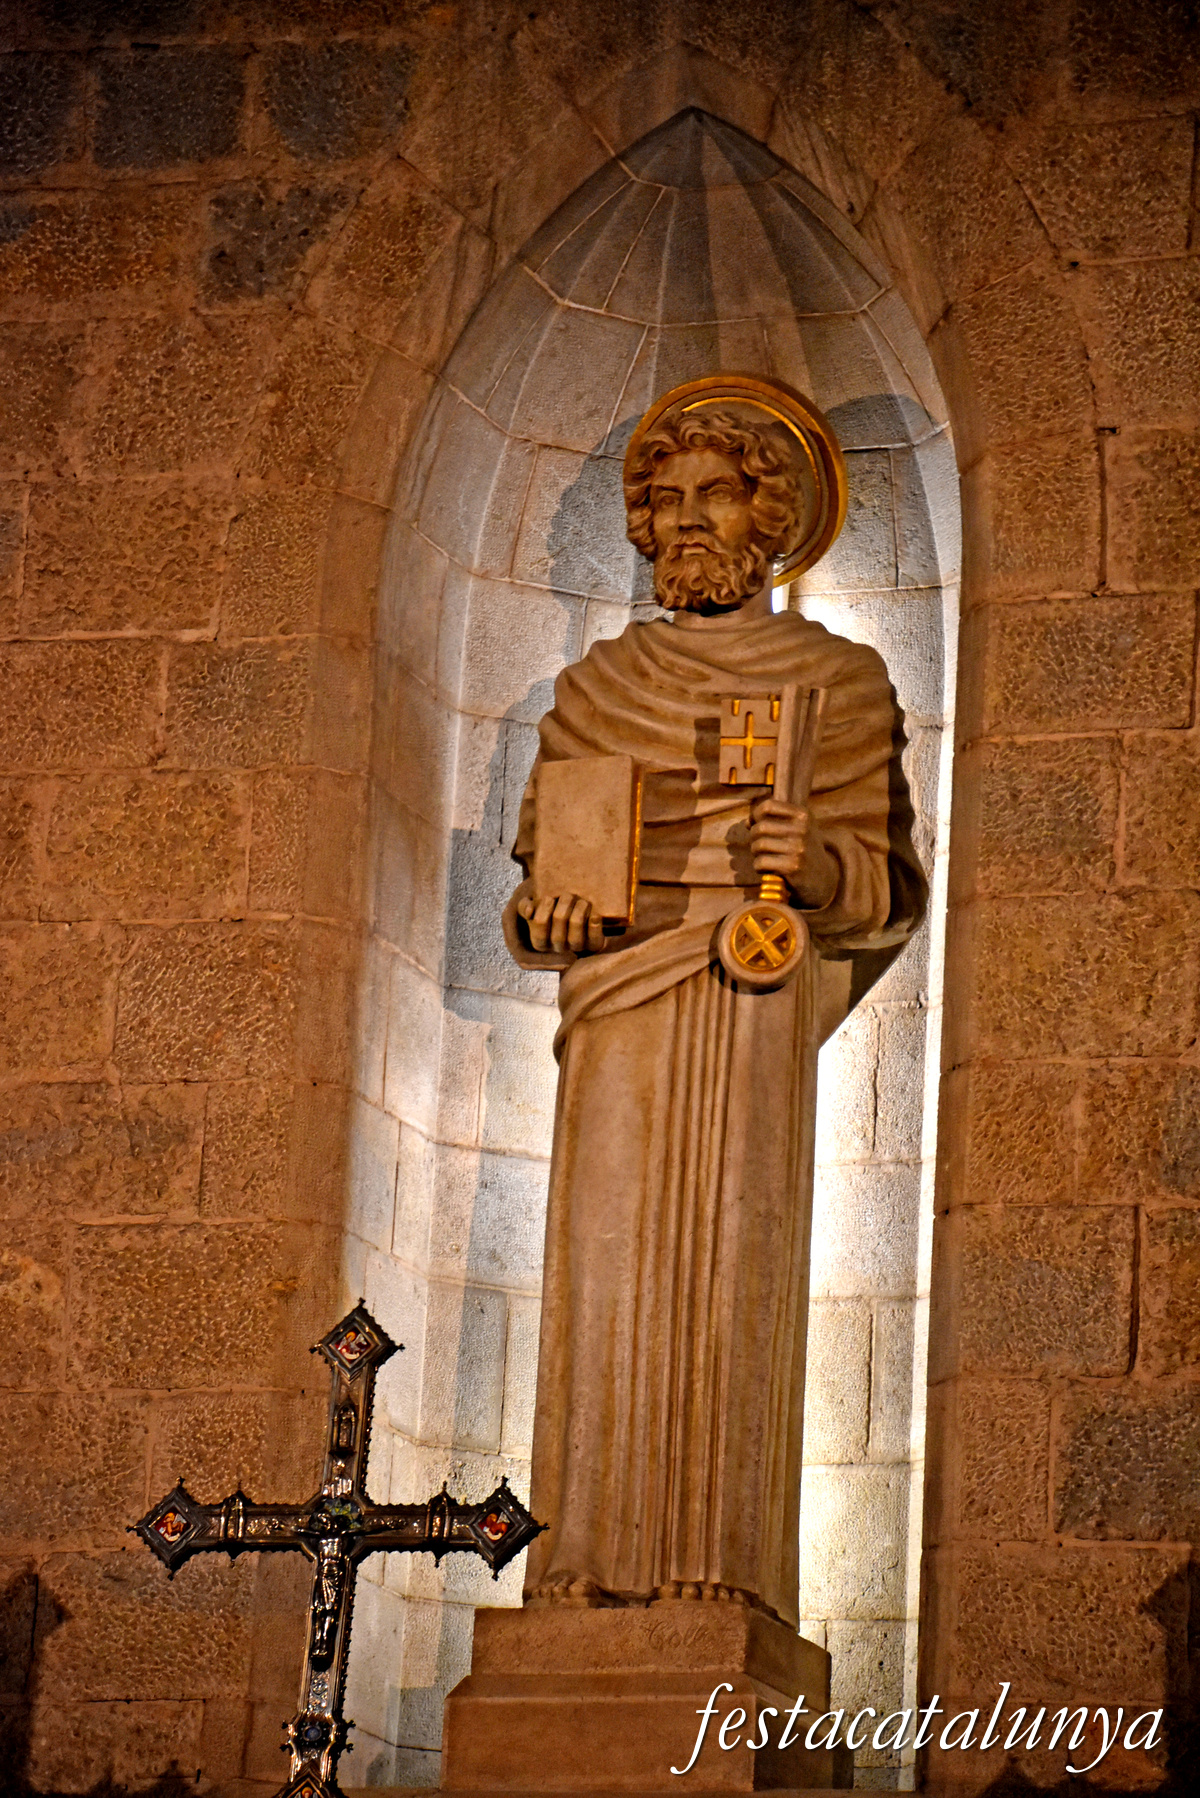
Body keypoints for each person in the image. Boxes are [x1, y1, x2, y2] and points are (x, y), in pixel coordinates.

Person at [502, 376, 926, 1625]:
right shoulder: (594, 689)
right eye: (667, 499)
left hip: (747, 1006)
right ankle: (576, 1569)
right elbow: (538, 894)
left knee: (728, 1276)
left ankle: (723, 1573)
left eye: (717, 495)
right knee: (605, 1281)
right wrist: (553, 918)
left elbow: (885, 888)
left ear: (771, 516)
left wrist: (820, 855)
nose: (687, 520)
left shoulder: (836, 683)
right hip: (621, 1013)